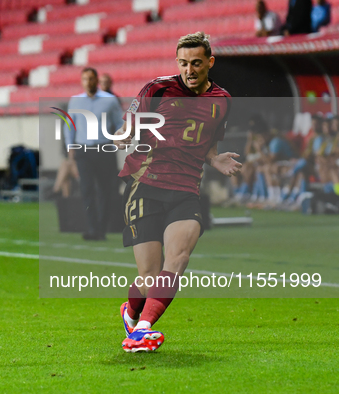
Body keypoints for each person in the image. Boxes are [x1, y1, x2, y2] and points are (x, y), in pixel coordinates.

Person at [112, 32, 242, 352]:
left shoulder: (222, 101)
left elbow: (209, 139)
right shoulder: (157, 89)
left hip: (186, 189)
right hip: (145, 185)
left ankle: (142, 331)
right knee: (149, 276)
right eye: (183, 63)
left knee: (179, 259)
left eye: (196, 63)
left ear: (209, 62)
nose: (189, 70)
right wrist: (123, 135)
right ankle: (131, 312)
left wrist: (214, 158)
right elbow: (129, 124)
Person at [63, 67, 123, 240]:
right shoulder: (75, 101)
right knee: (86, 189)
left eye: (91, 78)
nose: (88, 82)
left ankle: (101, 230)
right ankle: (92, 228)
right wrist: (71, 152)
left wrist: (120, 138)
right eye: (85, 79)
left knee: (105, 190)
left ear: (97, 80)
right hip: (84, 151)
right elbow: (69, 127)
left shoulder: (110, 101)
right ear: (81, 81)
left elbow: (119, 123)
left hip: (104, 149)